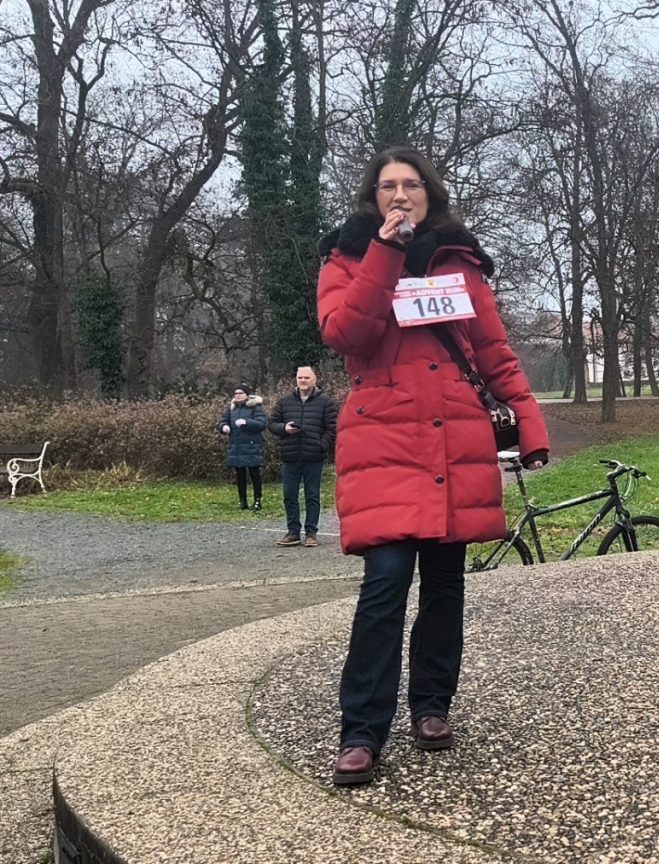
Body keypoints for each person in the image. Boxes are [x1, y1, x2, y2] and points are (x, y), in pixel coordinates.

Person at [317, 146, 551, 785]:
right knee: (386, 584)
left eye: (411, 185)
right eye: (388, 186)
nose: (400, 195)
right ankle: (361, 731)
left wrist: (529, 424)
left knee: (446, 586)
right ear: (373, 197)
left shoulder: (460, 261)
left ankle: (431, 706)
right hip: (384, 441)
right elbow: (345, 334)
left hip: (455, 438)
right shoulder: (345, 257)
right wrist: (384, 253)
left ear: (430, 194)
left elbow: (494, 352)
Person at [266, 365, 338, 547]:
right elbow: (272, 423)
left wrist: (321, 444)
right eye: (300, 378)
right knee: (289, 495)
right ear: (296, 379)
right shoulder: (285, 401)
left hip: (313, 456)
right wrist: (284, 428)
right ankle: (293, 532)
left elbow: (332, 427)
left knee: (312, 495)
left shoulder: (325, 402)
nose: (303, 381)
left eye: (306, 377)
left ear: (314, 379)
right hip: (290, 455)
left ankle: (311, 532)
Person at [217, 384, 266, 510]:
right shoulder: (231, 408)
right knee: (240, 475)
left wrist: (246, 422)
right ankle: (242, 501)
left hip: (251, 445)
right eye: (236, 393)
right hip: (236, 446)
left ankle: (257, 500)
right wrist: (223, 427)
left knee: (254, 473)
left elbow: (261, 424)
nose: (238, 395)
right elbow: (223, 421)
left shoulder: (255, 407)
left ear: (247, 394)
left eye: (240, 393)